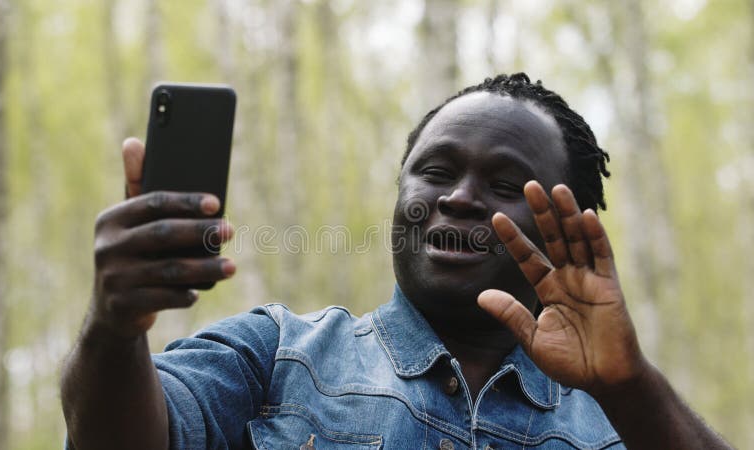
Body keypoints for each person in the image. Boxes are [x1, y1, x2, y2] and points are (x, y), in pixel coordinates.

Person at [60, 73, 730, 449]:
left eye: (502, 185)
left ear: (566, 230)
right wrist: (114, 329)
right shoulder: (274, 355)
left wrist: (629, 386)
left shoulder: (619, 428)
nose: (458, 199)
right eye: (435, 171)